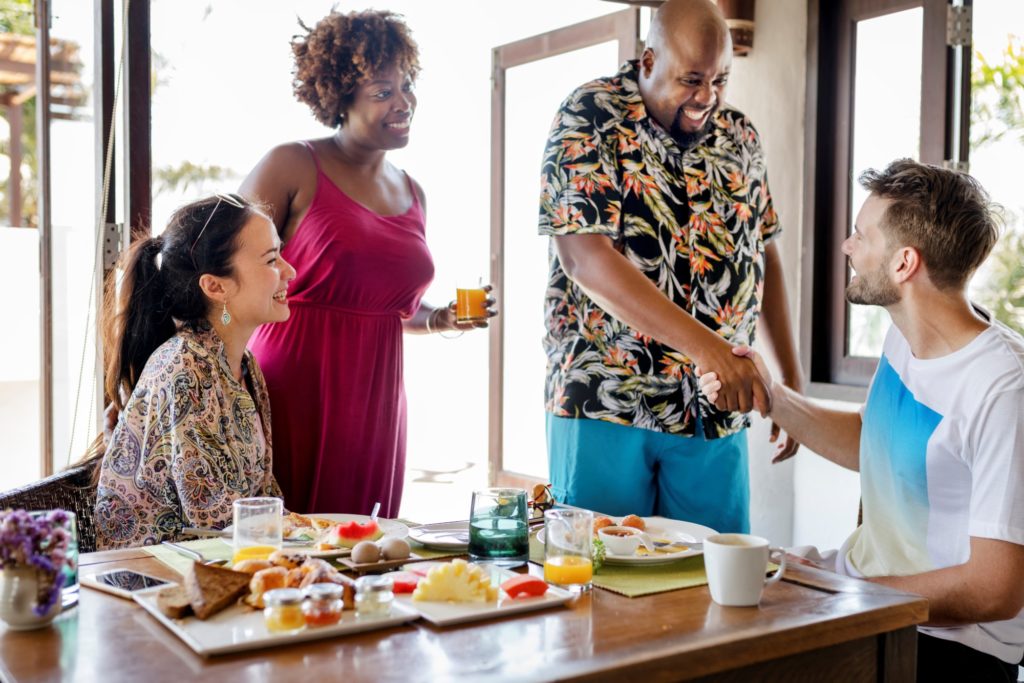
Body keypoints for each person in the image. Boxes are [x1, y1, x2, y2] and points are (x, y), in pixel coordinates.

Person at [700, 159, 1024, 681]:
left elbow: (995, 589)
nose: (848, 247)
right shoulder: (906, 336)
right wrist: (772, 396)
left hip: (945, 648)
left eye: (859, 235)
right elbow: (876, 443)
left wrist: (840, 595)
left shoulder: (1004, 387)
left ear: (904, 264)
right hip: (864, 602)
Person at [538, 0, 800, 533]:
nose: (707, 98)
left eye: (720, 79)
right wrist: (711, 350)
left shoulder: (741, 137)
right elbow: (584, 257)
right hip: (605, 401)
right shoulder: (590, 114)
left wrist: (789, 384)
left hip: (714, 411)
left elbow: (762, 249)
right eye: (692, 79)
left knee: (714, 590)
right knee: (601, 588)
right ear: (648, 58)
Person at [240, 9, 494, 518]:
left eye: (407, 87)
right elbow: (219, 265)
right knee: (286, 545)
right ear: (340, 98)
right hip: (292, 384)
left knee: (364, 544)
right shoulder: (290, 164)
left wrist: (442, 318)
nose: (404, 104)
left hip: (377, 401)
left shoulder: (413, 190)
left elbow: (393, 309)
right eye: (383, 92)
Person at [94, 194, 296, 549]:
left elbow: (261, 500)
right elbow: (214, 523)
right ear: (215, 286)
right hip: (159, 583)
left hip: (221, 565)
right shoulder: (185, 367)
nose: (290, 271)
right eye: (271, 259)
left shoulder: (244, 365)